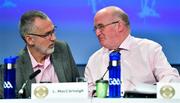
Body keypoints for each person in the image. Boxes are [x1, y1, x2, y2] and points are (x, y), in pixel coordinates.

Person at [84, 6, 180, 96]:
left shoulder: (149, 49)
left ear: (119, 26)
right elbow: (87, 93)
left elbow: (171, 78)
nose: (97, 33)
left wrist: (153, 93)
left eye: (101, 27)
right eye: (95, 28)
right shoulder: (94, 60)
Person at [0, 10, 79, 98]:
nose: (54, 38)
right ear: (30, 40)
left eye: (53, 31)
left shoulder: (63, 49)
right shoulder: (13, 69)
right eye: (47, 34)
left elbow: (78, 87)